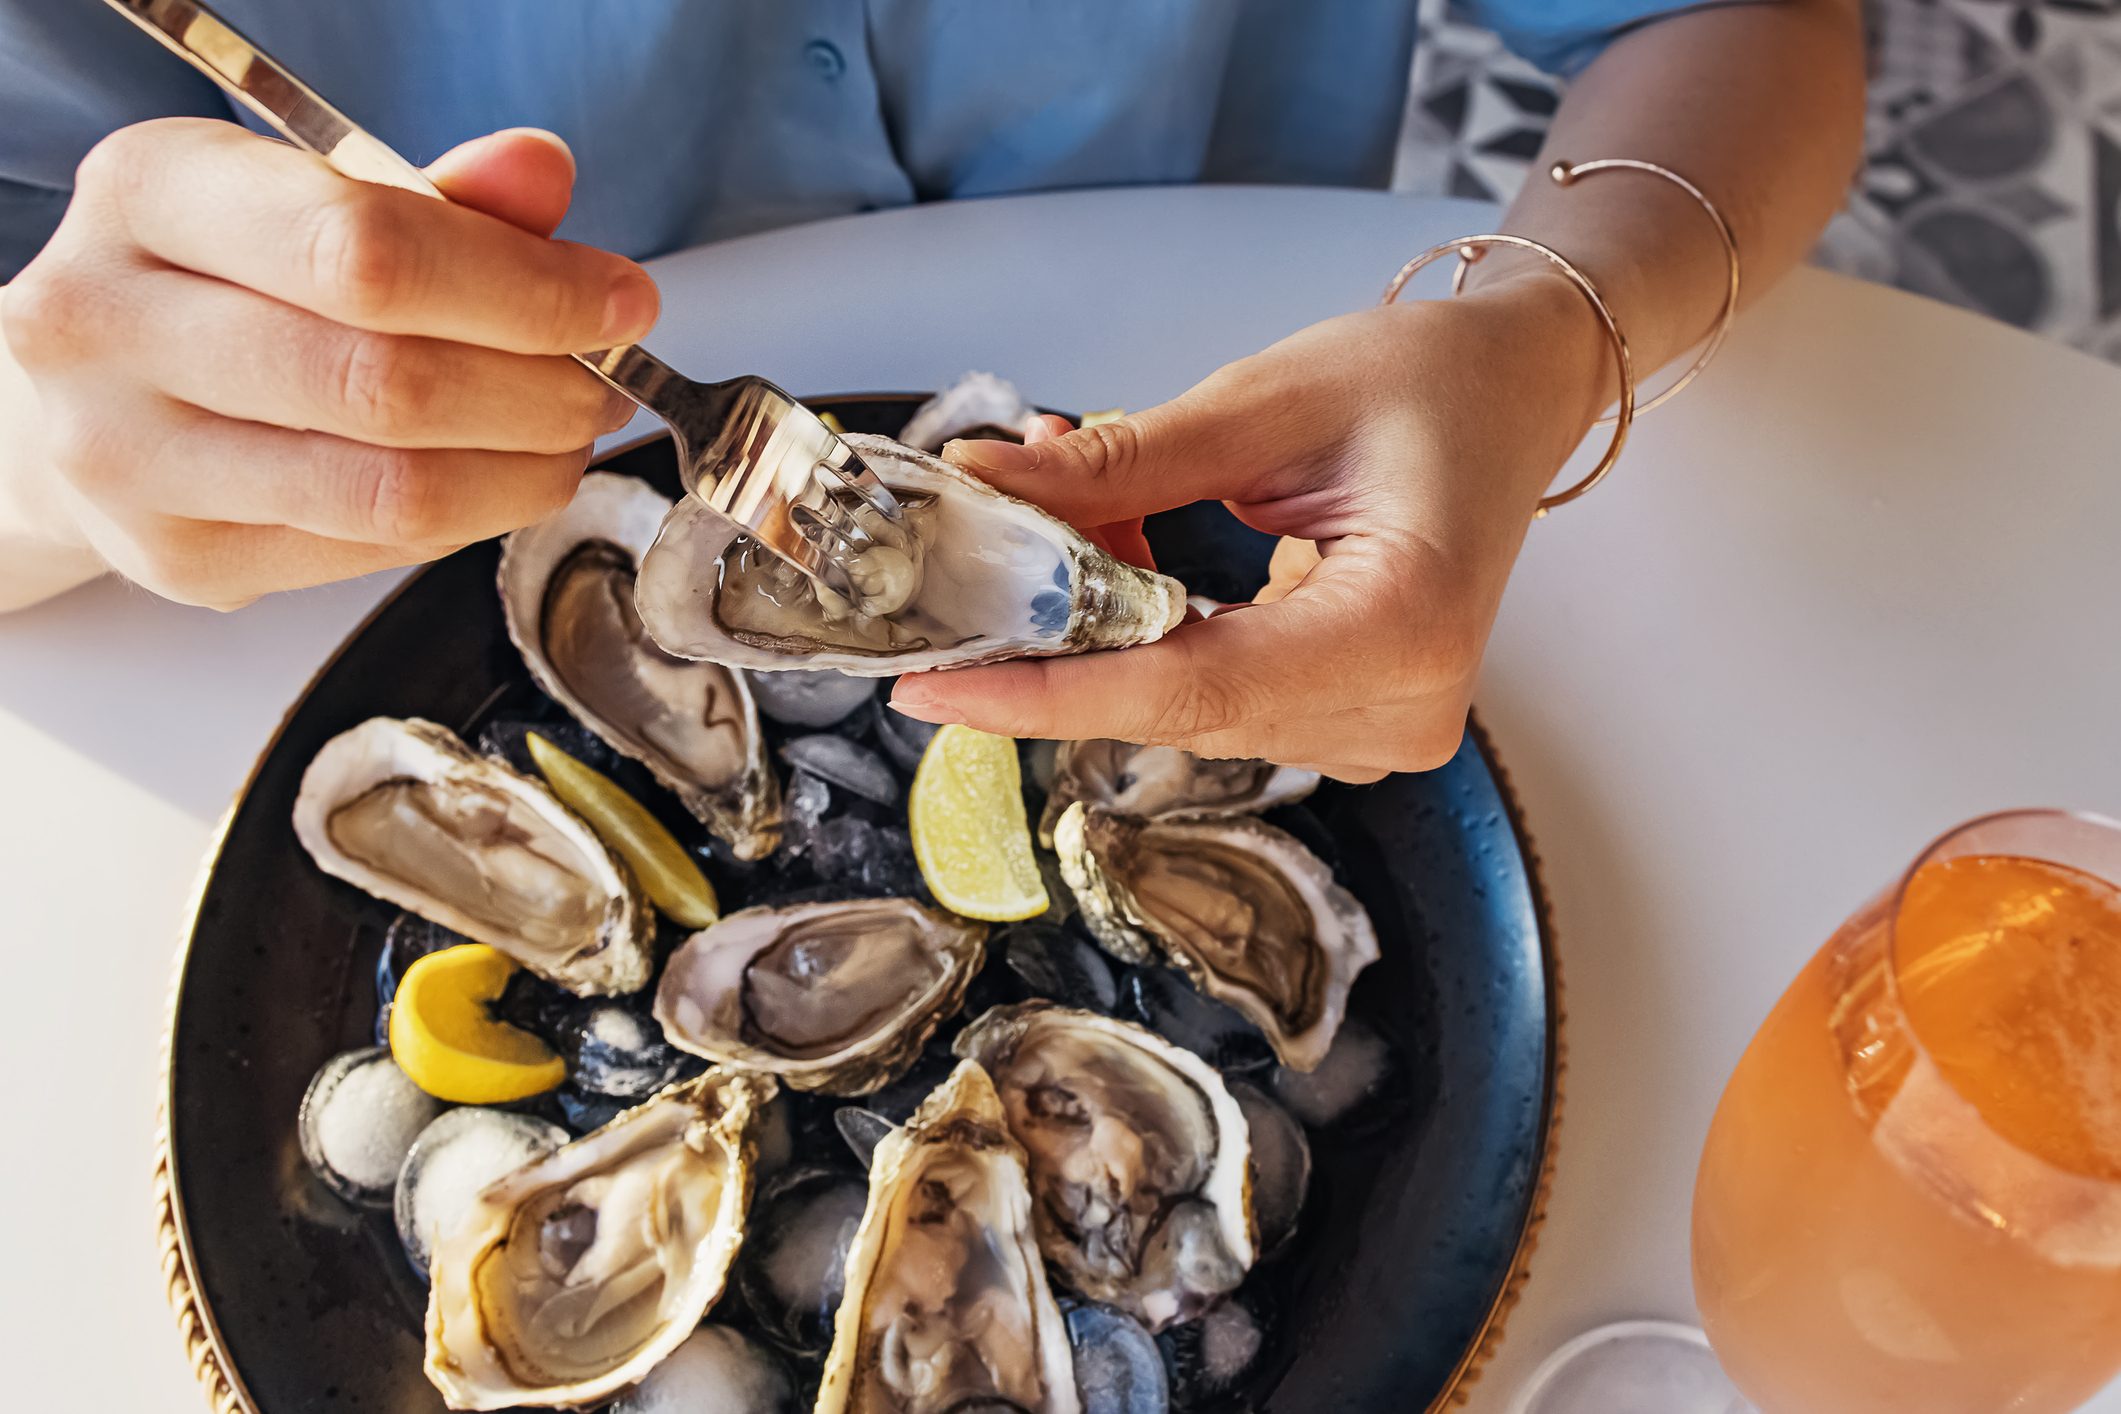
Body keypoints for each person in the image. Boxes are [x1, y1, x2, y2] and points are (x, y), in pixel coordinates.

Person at [0, 1, 1862, 781]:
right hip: (243, 669)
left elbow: (1743, 23)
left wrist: (1544, 329)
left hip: (1282, 398)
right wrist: (46, 463)